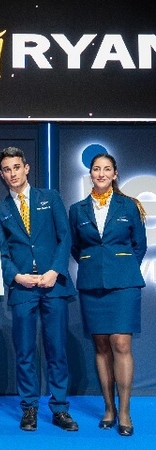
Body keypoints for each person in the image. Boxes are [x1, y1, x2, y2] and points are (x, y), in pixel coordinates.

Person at [0, 147, 79, 432]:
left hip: (52, 285)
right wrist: (16, 277)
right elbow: (0, 251)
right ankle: (29, 407)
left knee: (56, 349)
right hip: (23, 289)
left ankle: (60, 408)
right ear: (2, 174)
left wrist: (55, 271)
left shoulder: (50, 197)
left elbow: (64, 236)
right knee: (25, 351)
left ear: (26, 168)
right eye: (7, 170)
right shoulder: (1, 208)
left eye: (16, 167)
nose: (12, 174)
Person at [69, 153, 147, 437]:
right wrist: (96, 266)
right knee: (101, 346)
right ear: (90, 173)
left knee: (122, 344)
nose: (101, 173)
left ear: (115, 174)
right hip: (92, 284)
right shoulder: (77, 210)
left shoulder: (130, 206)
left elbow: (139, 245)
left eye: (107, 169)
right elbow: (76, 247)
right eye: (96, 169)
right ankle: (108, 408)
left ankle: (124, 411)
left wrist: (119, 266)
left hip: (124, 284)